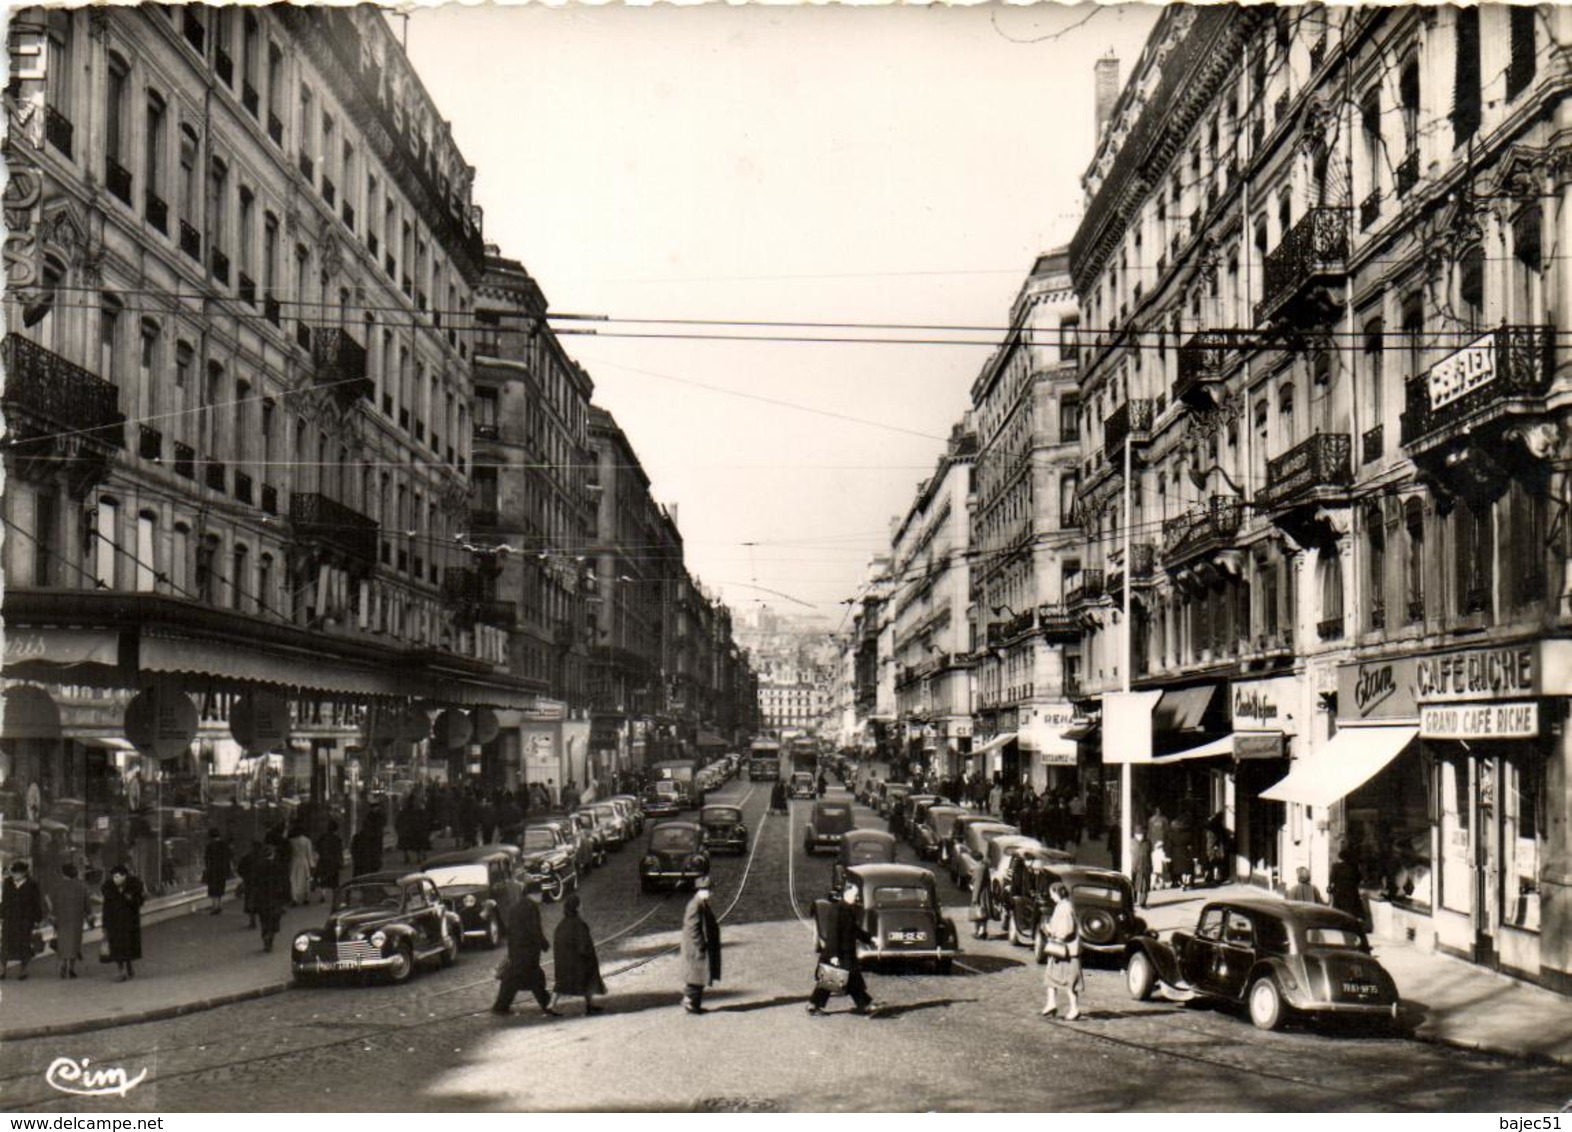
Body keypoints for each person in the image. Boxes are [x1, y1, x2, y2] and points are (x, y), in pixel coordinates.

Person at [808, 881, 878, 1016]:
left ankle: (864, 1005)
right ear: (846, 893)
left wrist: (870, 938)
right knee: (832, 979)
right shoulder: (837, 910)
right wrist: (834, 956)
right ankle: (865, 1005)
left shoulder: (849, 909)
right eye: (854, 894)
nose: (857, 898)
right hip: (837, 952)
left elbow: (855, 930)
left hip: (846, 952)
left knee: (846, 980)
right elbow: (833, 934)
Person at [491, 877, 558, 1018]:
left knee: (513, 980)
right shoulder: (531, 907)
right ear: (532, 894)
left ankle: (501, 1006)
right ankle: (546, 1004)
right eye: (539, 893)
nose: (541, 896)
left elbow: (509, 930)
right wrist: (544, 944)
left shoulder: (517, 907)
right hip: (527, 951)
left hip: (516, 950)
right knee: (533, 978)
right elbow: (534, 929)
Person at [550, 892, 606, 1015]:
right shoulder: (578, 924)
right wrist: (588, 956)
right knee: (587, 976)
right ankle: (552, 1005)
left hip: (564, 962)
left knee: (561, 984)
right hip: (577, 961)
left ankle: (589, 1004)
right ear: (576, 908)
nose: (582, 907)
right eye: (580, 905)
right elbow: (583, 945)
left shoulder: (562, 924)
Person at [1040, 881, 1083, 1021]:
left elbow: (1066, 929)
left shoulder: (1065, 907)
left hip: (1067, 952)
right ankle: (1051, 1003)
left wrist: (1053, 932)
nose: (1051, 897)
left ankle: (1074, 1009)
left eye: (1052, 894)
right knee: (1051, 977)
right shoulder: (1062, 905)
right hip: (1061, 951)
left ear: (1057, 892)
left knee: (1070, 982)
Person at [680, 876, 721, 1014]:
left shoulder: (701, 903)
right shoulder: (695, 905)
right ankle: (690, 1002)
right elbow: (692, 927)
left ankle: (694, 1004)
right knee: (695, 976)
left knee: (700, 975)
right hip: (695, 949)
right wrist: (700, 945)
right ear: (700, 890)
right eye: (708, 890)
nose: (710, 892)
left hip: (699, 948)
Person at [1, 861, 46, 980]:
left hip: (25, 920)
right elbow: (5, 900)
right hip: (10, 919)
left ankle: (23, 969)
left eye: (17, 873)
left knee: (24, 945)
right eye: (14, 873)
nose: (15, 875)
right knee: (5, 945)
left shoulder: (32, 884)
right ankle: (2, 969)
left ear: (24, 873)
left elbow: (36, 902)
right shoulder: (8, 883)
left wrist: (38, 919)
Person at [100, 864, 145, 982]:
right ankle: (121, 971)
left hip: (129, 922)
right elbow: (106, 908)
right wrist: (104, 925)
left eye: (118, 876)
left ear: (125, 876)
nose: (115, 879)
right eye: (114, 876)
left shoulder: (133, 887)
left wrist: (131, 899)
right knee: (118, 948)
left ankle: (128, 964)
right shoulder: (109, 889)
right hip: (114, 923)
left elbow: (139, 902)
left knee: (127, 946)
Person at [52, 862, 90, 979]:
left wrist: (53, 916)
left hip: (62, 918)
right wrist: (89, 914)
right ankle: (71, 968)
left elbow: (53, 903)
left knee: (63, 942)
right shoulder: (82, 886)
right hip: (76, 919)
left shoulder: (58, 886)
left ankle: (63, 963)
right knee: (74, 943)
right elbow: (86, 903)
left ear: (64, 874)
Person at [253, 841, 291, 953]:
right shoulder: (279, 866)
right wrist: (287, 896)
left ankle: (265, 935)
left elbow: (254, 882)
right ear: (273, 854)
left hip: (262, 896)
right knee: (274, 918)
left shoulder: (258, 866)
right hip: (276, 896)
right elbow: (285, 882)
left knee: (264, 918)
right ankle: (271, 936)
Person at [1329, 845, 1364, 924]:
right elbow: (1359, 879)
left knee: (1338, 909)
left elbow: (1332, 879)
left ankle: (1338, 923)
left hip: (1339, 891)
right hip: (1351, 891)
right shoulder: (1353, 867)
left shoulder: (1336, 866)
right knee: (1350, 908)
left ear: (1340, 858)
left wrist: (1330, 888)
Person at [202, 829, 232, 915]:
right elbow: (228, 857)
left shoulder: (209, 846)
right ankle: (219, 905)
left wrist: (207, 868)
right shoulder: (224, 845)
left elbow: (206, 858)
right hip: (222, 870)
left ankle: (214, 906)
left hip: (213, 870)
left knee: (213, 888)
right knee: (220, 887)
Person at [314, 820, 344, 903]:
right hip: (334, 862)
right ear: (336, 829)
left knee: (324, 880)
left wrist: (322, 854)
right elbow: (339, 852)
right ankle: (335, 896)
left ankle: (323, 895)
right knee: (334, 881)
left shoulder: (322, 837)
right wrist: (341, 862)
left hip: (323, 861)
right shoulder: (337, 839)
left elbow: (317, 848)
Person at [288, 824, 317, 906]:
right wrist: (312, 865)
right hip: (304, 861)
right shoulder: (307, 841)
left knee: (294, 880)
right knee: (306, 879)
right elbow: (309, 854)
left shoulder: (291, 841)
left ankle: (294, 898)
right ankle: (306, 897)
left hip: (294, 861)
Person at [968, 854, 993, 940]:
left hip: (981, 894)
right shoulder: (982, 866)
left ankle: (981, 932)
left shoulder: (979, 868)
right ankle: (982, 931)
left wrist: (975, 898)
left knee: (980, 913)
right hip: (984, 893)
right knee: (983, 913)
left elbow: (978, 884)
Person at [1130, 829, 1152, 910]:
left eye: (1142, 834)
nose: (1140, 836)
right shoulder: (1131, 842)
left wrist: (1150, 866)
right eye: (1138, 834)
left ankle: (1143, 903)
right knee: (1133, 885)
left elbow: (1149, 855)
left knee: (1144, 886)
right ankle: (1132, 901)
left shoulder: (1147, 843)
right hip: (1134, 867)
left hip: (1145, 866)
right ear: (1135, 834)